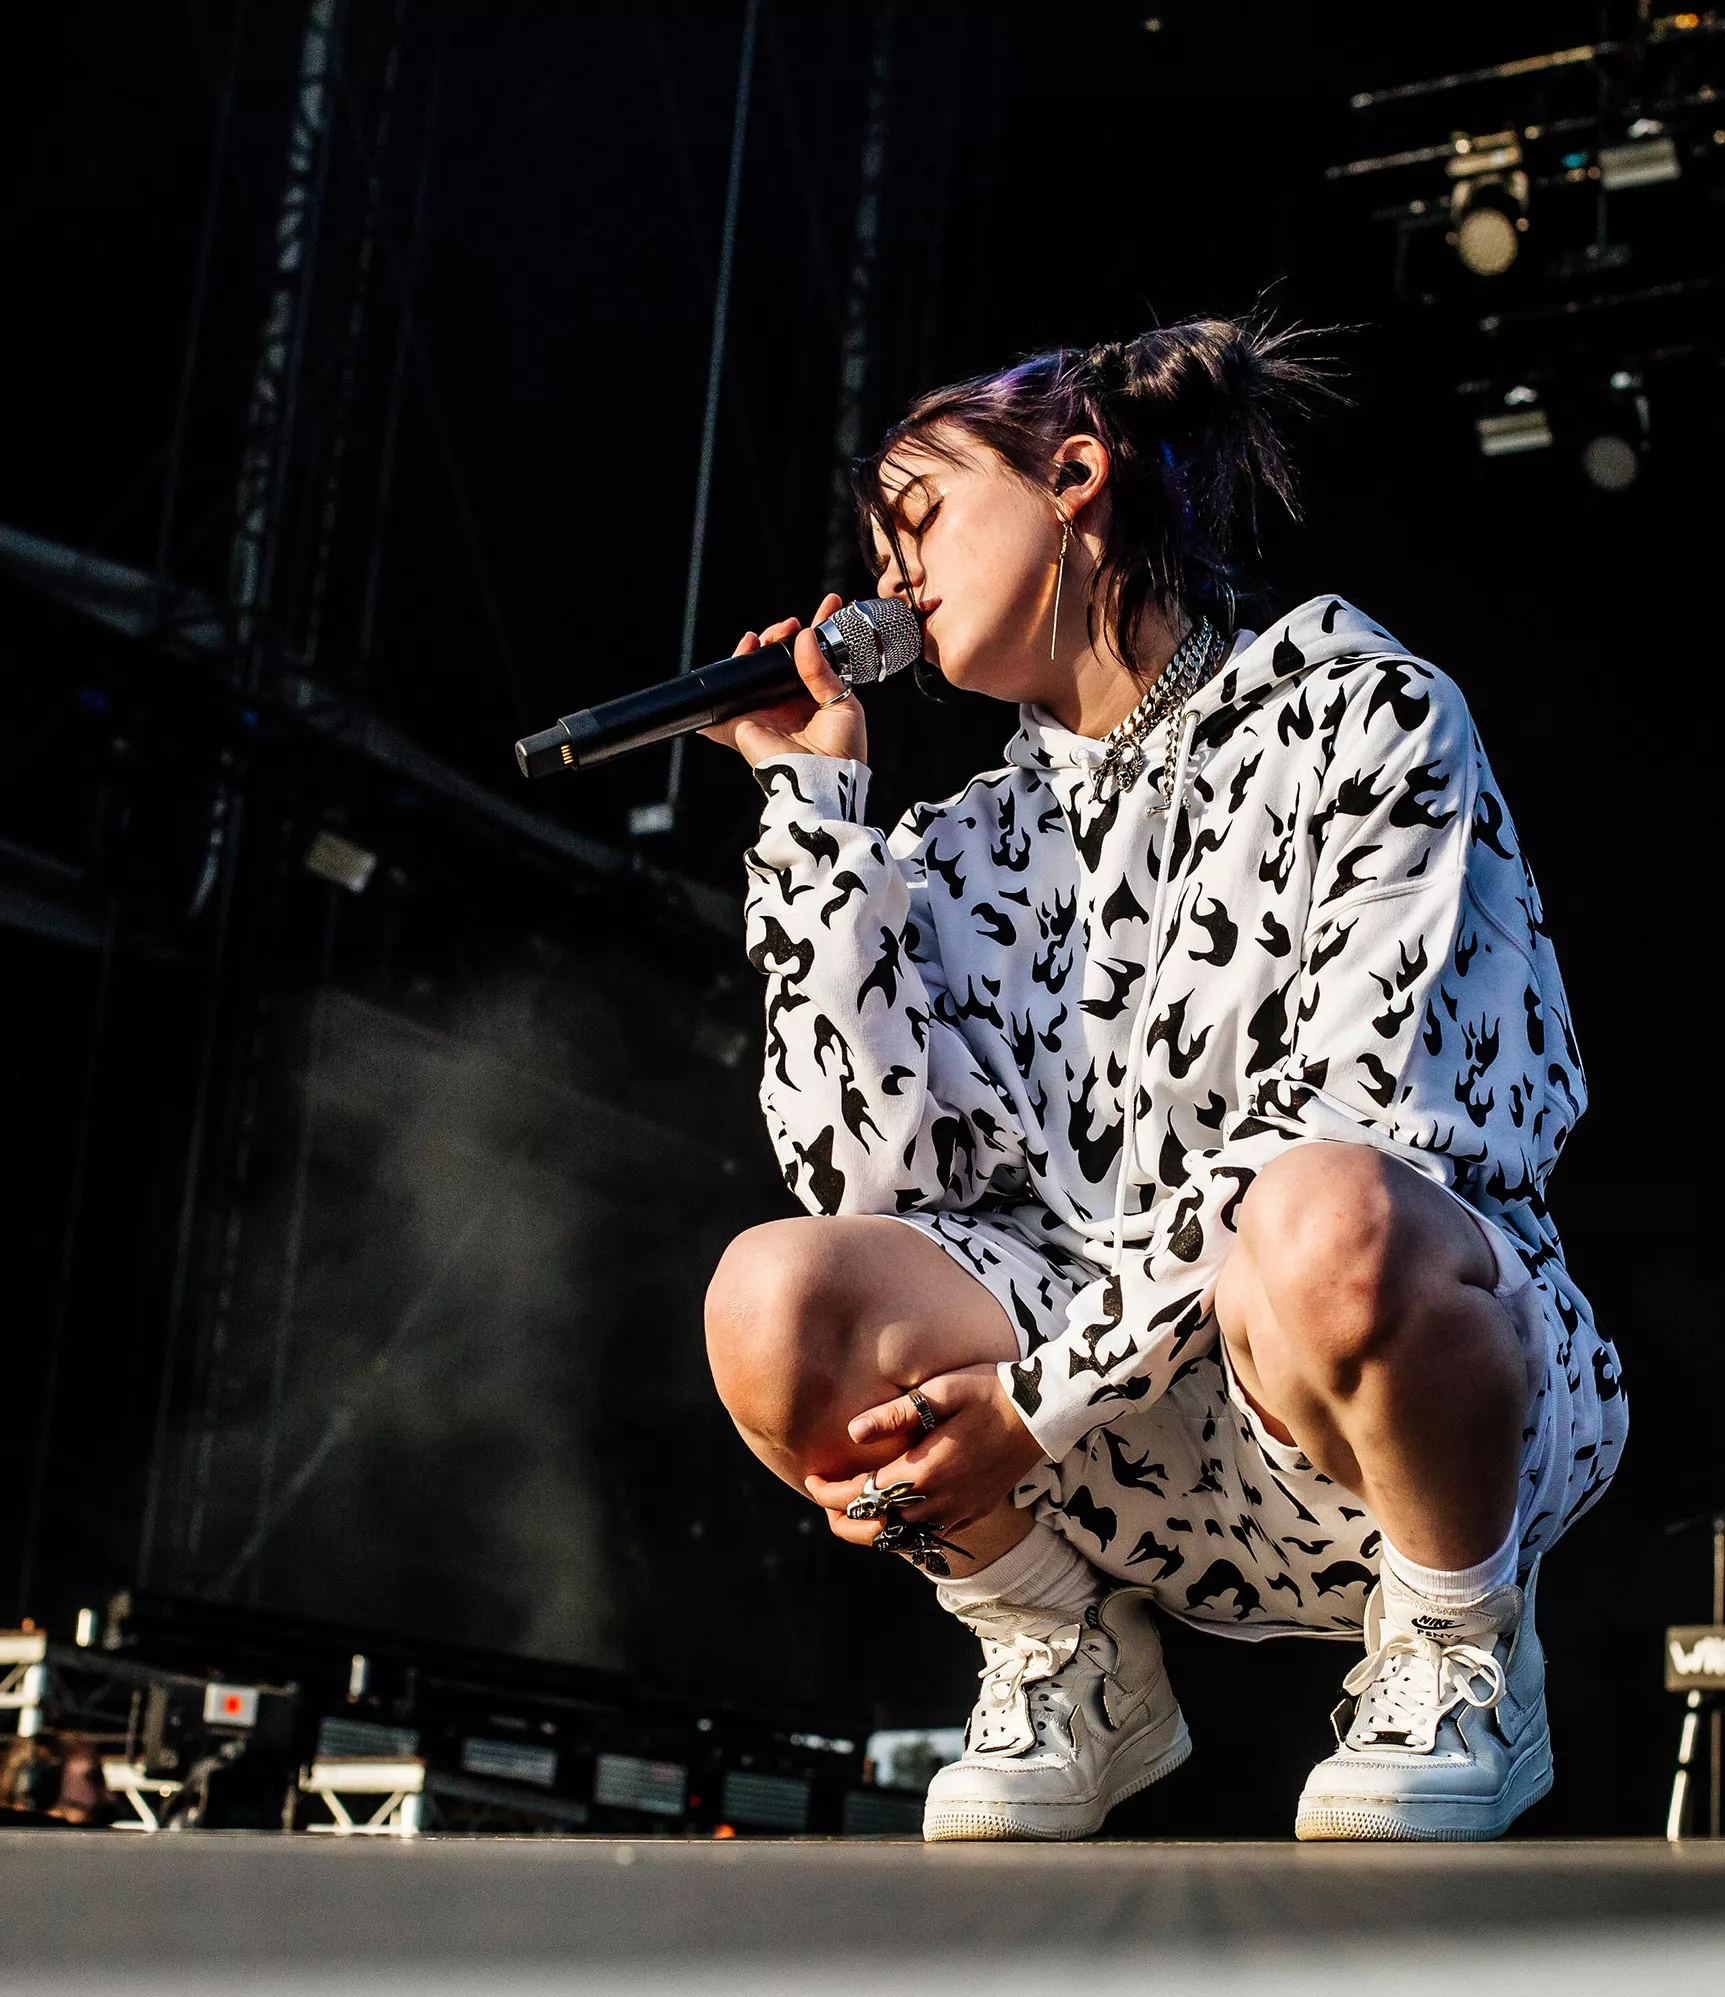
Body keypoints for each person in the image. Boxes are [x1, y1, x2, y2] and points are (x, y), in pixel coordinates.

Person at [697, 317, 1623, 1842]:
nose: (887, 578)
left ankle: (1457, 1643)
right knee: (771, 1299)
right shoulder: (958, 846)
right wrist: (810, 809)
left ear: (1073, 476)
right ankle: (1058, 1648)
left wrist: (1034, 1404)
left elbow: (1359, 1123)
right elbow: (864, 1183)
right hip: (1105, 1448)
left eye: (917, 516)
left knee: (1324, 1212)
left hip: (1369, 1391)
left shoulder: (1361, 710)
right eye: (872, 549)